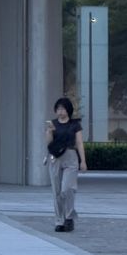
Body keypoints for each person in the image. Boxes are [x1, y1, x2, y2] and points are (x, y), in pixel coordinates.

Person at [46, 97, 87, 232]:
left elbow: (79, 143)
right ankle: (60, 221)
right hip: (55, 158)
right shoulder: (53, 124)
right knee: (57, 192)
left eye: (63, 108)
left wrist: (83, 161)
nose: (60, 111)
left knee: (67, 189)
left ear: (68, 110)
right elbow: (49, 143)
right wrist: (49, 131)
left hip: (71, 157)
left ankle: (69, 217)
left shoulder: (75, 125)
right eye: (58, 109)